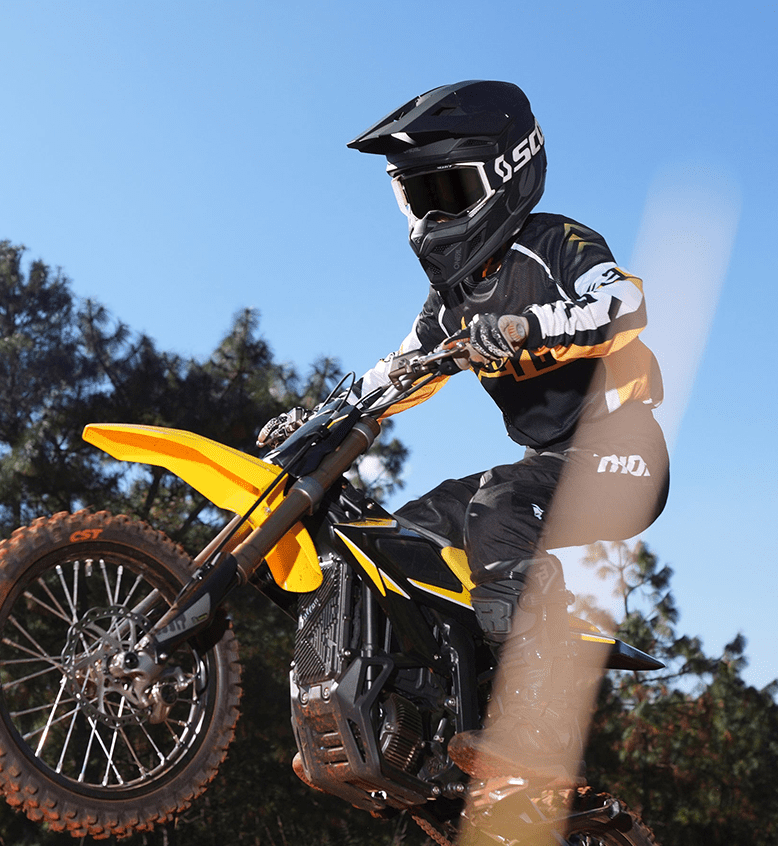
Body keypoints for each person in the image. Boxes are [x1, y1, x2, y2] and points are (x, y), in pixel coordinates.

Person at [264, 81, 669, 786]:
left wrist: (527, 328)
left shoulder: (554, 243)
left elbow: (623, 300)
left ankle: (537, 729)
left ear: (507, 174)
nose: (431, 214)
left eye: (448, 191)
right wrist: (323, 418)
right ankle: (416, 721)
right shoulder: (447, 302)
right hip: (545, 463)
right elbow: (398, 372)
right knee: (399, 535)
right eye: (417, 196)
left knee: (496, 510)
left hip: (621, 454)